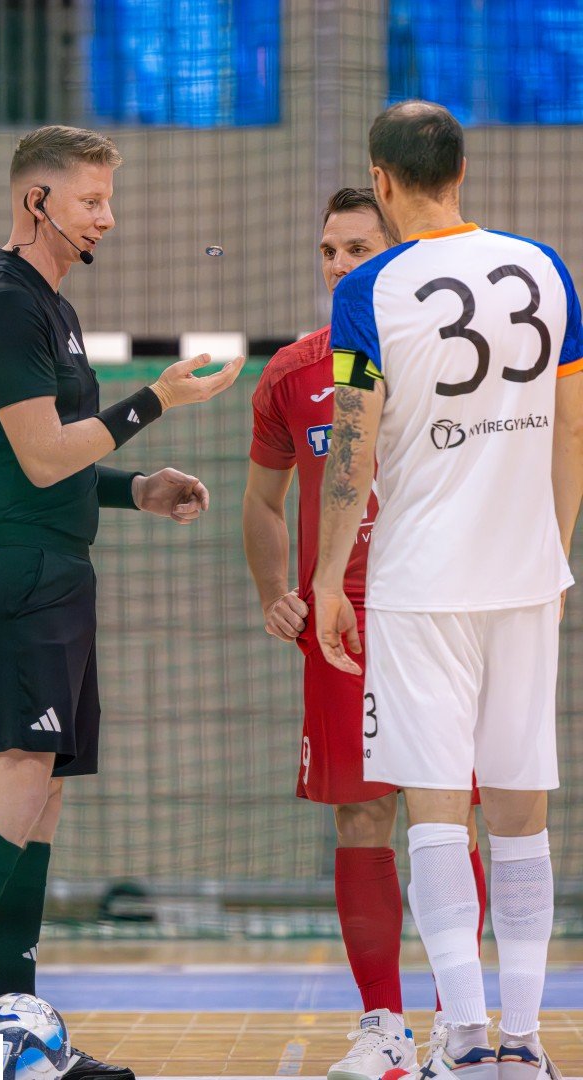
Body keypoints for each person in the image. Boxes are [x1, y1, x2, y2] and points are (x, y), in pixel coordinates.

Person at [0, 125, 244, 1080]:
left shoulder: (51, 308)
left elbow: (52, 466)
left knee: (43, 796)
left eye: (108, 197)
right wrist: (155, 403)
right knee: (18, 776)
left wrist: (136, 487)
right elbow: (42, 455)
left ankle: (17, 1022)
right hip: (13, 573)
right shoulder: (6, 305)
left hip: (50, 563)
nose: (108, 215)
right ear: (37, 202)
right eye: (91, 199)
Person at [314, 101, 583, 1079]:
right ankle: (526, 1042)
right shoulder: (547, 271)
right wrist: (552, 558)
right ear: (461, 169)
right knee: (521, 814)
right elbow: (572, 429)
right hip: (525, 580)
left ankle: (463, 1039)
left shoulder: (371, 290)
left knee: (436, 811)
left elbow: (351, 441)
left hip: (421, 581)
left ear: (381, 182)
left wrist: (324, 572)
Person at [244, 187, 486, 1080]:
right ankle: (383, 1026)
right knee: (361, 815)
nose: (339, 265)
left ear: (398, 253)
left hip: (436, 611)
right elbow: (262, 501)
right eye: (328, 250)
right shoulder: (294, 372)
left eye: (356, 248)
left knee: (448, 816)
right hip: (340, 622)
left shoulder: (452, 358)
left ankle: (456, 1023)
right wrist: (279, 587)